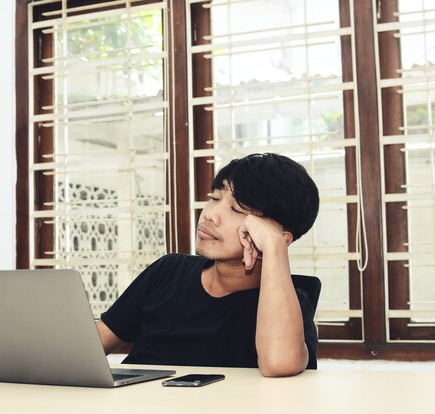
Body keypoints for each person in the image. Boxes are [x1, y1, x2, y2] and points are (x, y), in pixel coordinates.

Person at [96, 153, 320, 377]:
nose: (210, 214)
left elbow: (279, 364)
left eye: (237, 209)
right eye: (214, 197)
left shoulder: (291, 306)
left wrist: (273, 245)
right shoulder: (169, 270)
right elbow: (95, 342)